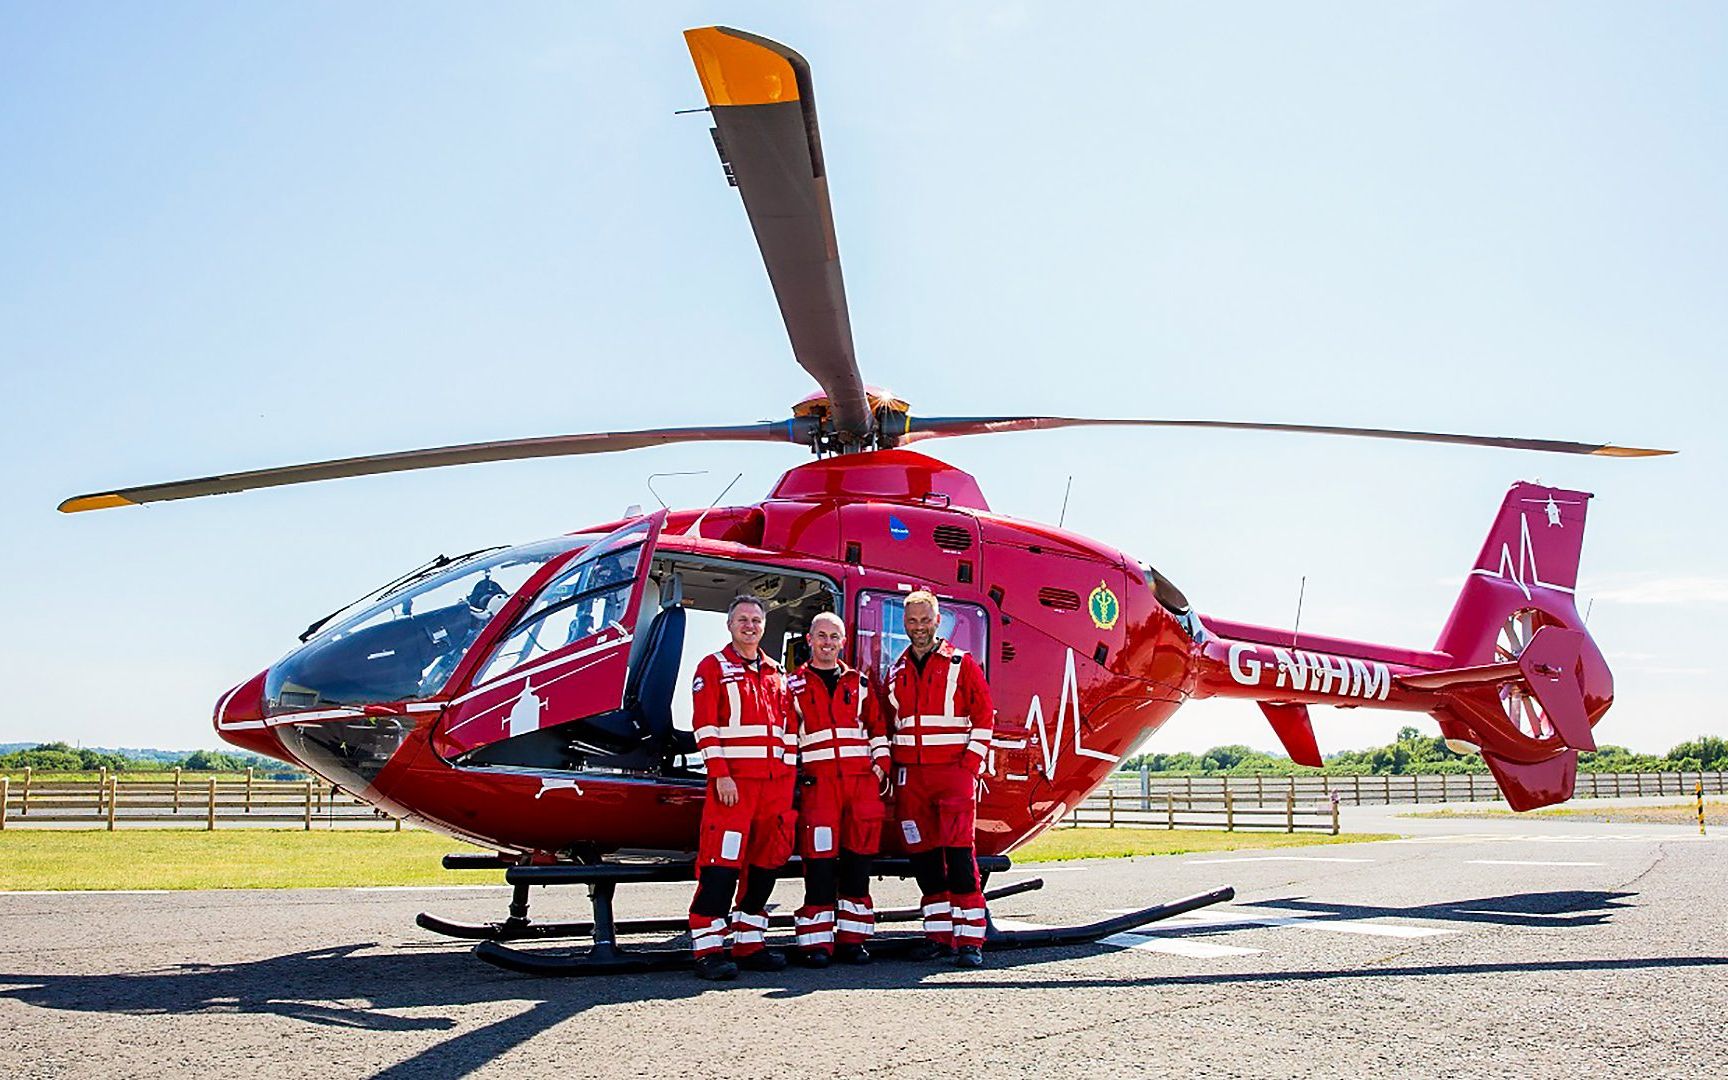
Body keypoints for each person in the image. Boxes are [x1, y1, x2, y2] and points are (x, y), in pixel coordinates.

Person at [685, 595, 798, 982]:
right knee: (721, 865)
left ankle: (750, 942)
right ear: (729, 626)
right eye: (742, 620)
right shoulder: (712, 667)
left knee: (766, 865)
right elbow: (705, 725)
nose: (749, 626)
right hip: (734, 787)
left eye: (755, 620)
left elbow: (789, 731)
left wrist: (787, 778)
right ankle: (709, 949)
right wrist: (721, 774)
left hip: (774, 789)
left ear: (764, 626)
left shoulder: (775, 672)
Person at [881, 590, 994, 968]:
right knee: (924, 860)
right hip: (911, 779)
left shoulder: (962, 663)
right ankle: (939, 936)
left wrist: (969, 766)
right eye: (911, 621)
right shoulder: (895, 670)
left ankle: (970, 940)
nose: (918, 627)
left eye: (925, 620)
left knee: (960, 857)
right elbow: (888, 724)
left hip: (952, 776)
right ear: (905, 623)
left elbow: (984, 717)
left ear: (938, 619)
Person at [787, 611, 889, 967]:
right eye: (822, 636)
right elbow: (788, 737)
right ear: (810, 640)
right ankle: (815, 943)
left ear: (843, 642)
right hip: (821, 788)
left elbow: (877, 730)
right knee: (820, 864)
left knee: (859, 865)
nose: (828, 643)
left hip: (860, 787)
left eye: (834, 637)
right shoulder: (793, 686)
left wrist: (880, 767)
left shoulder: (859, 684)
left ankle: (853, 940)